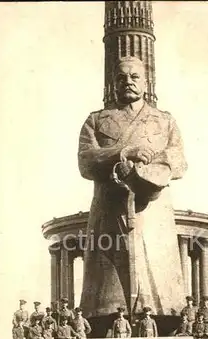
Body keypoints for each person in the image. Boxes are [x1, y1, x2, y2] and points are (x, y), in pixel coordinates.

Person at [78, 55, 187, 318]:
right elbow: (86, 160)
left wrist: (148, 169)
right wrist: (124, 152)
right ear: (114, 84)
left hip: (152, 207)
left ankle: (165, 317)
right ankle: (106, 317)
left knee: (158, 282)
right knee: (108, 286)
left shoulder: (165, 120)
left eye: (135, 76)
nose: (128, 81)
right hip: (110, 208)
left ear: (146, 83)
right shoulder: (96, 120)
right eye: (121, 77)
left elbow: (179, 160)